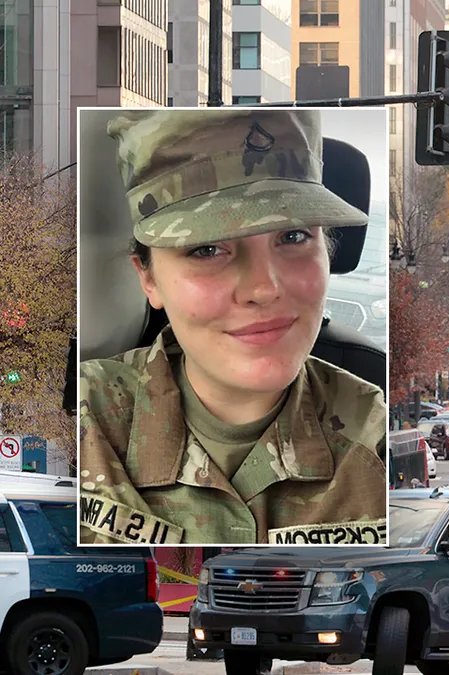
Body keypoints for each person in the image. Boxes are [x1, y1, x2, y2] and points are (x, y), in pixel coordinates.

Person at [78, 109, 388, 545]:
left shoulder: (379, 436)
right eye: (206, 249)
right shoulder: (84, 421)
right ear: (148, 278)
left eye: (294, 236)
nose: (264, 288)